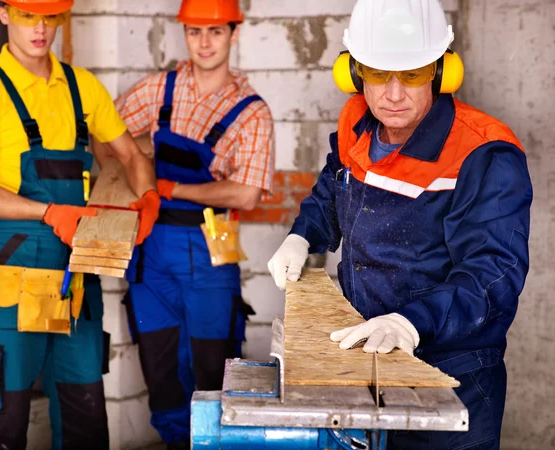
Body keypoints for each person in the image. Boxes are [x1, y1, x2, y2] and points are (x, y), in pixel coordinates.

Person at [267, 0, 532, 449]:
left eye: (410, 75)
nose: (392, 94)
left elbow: (494, 274)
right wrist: (302, 233)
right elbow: (333, 191)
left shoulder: (484, 154)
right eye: (376, 73)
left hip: (450, 375)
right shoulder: (357, 125)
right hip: (365, 359)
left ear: (441, 71)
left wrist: (410, 323)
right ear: (353, 73)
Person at [0, 1, 160, 448]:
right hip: (12, 279)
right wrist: (48, 212)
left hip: (76, 279)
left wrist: (148, 198)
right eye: (29, 16)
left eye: (51, 17)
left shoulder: (82, 86)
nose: (41, 28)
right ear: (5, 14)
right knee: (1, 422)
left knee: (84, 414)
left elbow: (129, 155)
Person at [96, 0, 275, 447]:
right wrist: (136, 172)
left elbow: (246, 192)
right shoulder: (160, 89)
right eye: (195, 32)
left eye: (215, 31)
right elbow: (104, 136)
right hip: (149, 248)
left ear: (234, 32)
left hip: (209, 248)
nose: (205, 42)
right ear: (184, 34)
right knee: (159, 365)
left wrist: (172, 188)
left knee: (212, 365)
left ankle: (216, 442)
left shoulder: (251, 111)